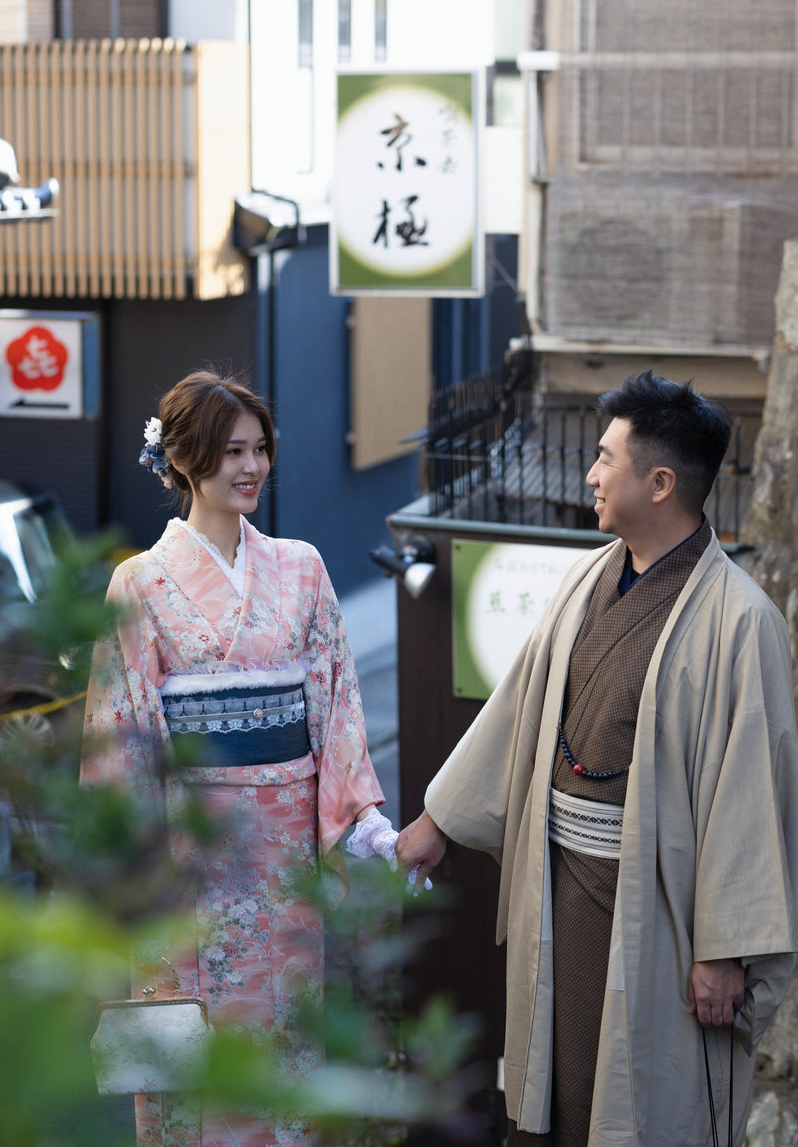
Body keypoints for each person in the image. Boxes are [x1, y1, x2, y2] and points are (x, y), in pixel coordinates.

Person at [397, 370, 798, 1147]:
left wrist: (727, 952)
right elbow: (517, 710)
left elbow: (753, 793)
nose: (589, 473)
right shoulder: (587, 577)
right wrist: (437, 821)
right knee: (556, 1089)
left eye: (606, 457)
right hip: (559, 880)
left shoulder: (741, 619)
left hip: (660, 902)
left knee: (646, 1101)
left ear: (659, 481)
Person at [81, 369, 399, 1147]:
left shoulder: (303, 568)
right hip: (186, 859)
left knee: (284, 1047)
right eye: (231, 452)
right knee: (183, 1049)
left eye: (260, 450)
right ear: (186, 459)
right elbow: (121, 732)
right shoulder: (141, 583)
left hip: (284, 858)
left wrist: (360, 819)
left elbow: (335, 705)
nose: (250, 467)